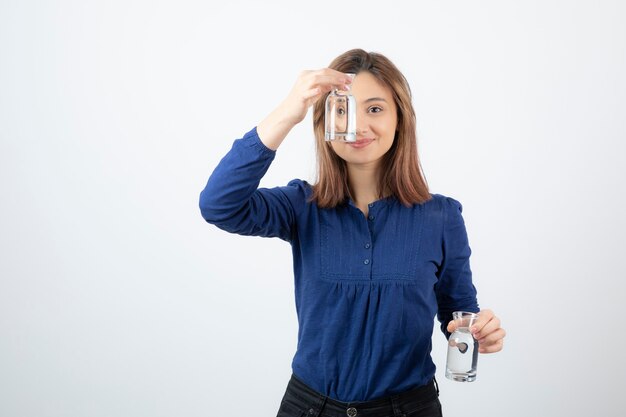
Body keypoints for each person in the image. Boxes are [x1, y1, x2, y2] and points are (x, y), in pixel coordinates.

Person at [199, 49, 506, 417]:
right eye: (341, 109)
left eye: (374, 109)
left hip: (408, 409)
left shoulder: (441, 217)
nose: (357, 125)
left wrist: (479, 331)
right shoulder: (301, 206)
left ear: (399, 120)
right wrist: (289, 111)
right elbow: (218, 204)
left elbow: (459, 316)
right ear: (323, 122)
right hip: (310, 407)